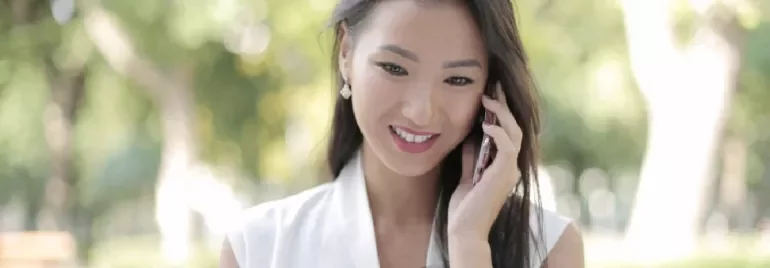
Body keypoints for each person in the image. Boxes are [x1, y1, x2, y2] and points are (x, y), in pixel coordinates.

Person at [220, 0, 584, 267]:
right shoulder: (258, 247)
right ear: (346, 53)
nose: (421, 111)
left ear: (490, 90)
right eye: (394, 68)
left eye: (458, 79)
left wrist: (469, 244)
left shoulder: (548, 249)